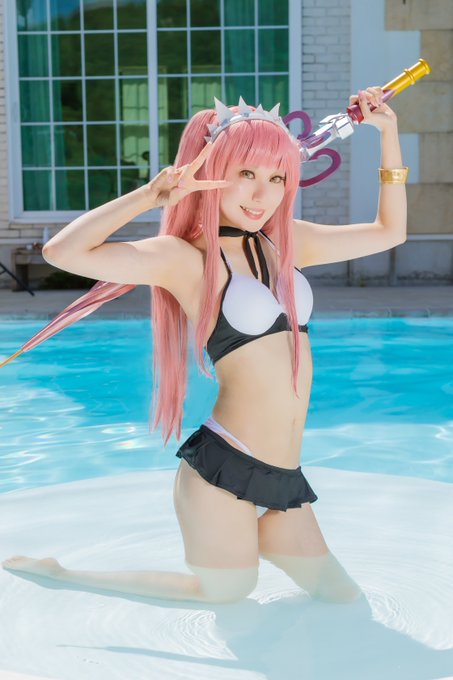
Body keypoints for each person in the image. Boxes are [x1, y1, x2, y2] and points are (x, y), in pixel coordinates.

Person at [2, 88, 407, 604]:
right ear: (214, 173)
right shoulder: (186, 258)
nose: (261, 194)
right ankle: (64, 575)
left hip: (284, 476)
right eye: (246, 174)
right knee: (224, 593)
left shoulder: (286, 242)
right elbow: (62, 252)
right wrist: (150, 196)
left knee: (345, 603)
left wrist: (388, 133)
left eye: (276, 178)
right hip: (223, 469)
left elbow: (390, 232)